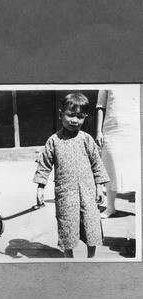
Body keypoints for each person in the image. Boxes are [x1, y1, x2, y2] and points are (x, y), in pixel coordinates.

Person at [33, 93, 109, 258]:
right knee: (67, 226)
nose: (75, 120)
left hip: (88, 193)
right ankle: (70, 259)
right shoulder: (54, 141)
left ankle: (91, 258)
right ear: (61, 114)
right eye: (70, 115)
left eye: (80, 117)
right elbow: (45, 165)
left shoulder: (86, 139)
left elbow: (97, 164)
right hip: (66, 195)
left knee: (91, 226)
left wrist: (99, 187)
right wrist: (40, 187)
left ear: (85, 117)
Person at [96, 87, 140, 219]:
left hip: (135, 129)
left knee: (137, 169)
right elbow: (100, 106)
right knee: (110, 168)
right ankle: (110, 207)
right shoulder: (106, 82)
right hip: (112, 129)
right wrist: (99, 131)